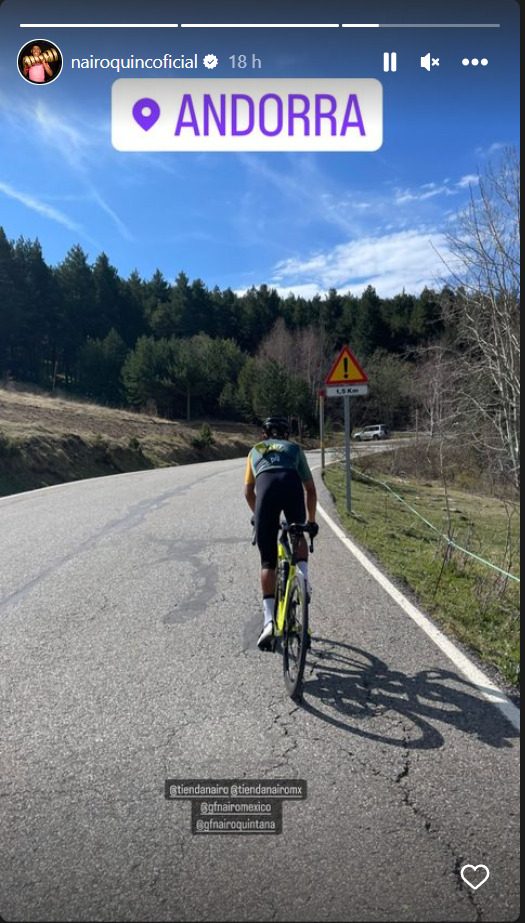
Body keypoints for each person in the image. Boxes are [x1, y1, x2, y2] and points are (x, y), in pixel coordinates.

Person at [244, 415, 319, 650]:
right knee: (298, 533)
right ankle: (303, 578)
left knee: (268, 561)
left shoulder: (255, 451)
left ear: (263, 435)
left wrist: (259, 516)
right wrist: (311, 522)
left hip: (266, 493)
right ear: (286, 435)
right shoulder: (294, 449)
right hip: (291, 487)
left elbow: (248, 492)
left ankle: (269, 621)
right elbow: (310, 490)